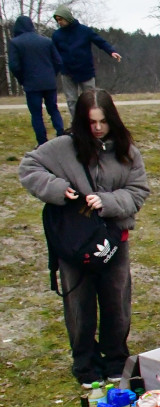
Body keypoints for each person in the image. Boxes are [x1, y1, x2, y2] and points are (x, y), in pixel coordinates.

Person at [19, 89, 150, 386]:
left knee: (117, 300)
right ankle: (85, 363)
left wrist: (107, 202)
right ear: (81, 121)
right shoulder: (62, 147)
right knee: (79, 303)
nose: (98, 128)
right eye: (92, 122)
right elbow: (28, 167)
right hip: (73, 241)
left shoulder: (128, 151)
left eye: (103, 121)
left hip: (114, 238)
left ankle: (116, 358)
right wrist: (55, 188)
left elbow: (139, 191)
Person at [50, 5, 121, 117]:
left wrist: (111, 51)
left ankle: (91, 121)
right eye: (57, 20)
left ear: (68, 18)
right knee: (71, 100)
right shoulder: (57, 35)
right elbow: (53, 53)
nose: (59, 22)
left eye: (61, 19)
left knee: (91, 99)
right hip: (67, 72)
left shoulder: (84, 31)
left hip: (85, 70)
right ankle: (76, 124)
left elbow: (100, 41)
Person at [8, 15, 64, 145]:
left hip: (31, 83)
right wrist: (51, 74)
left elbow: (14, 66)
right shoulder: (46, 41)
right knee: (53, 109)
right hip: (49, 82)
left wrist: (22, 79)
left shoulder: (15, 43)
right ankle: (61, 133)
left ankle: (42, 142)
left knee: (36, 114)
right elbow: (59, 62)